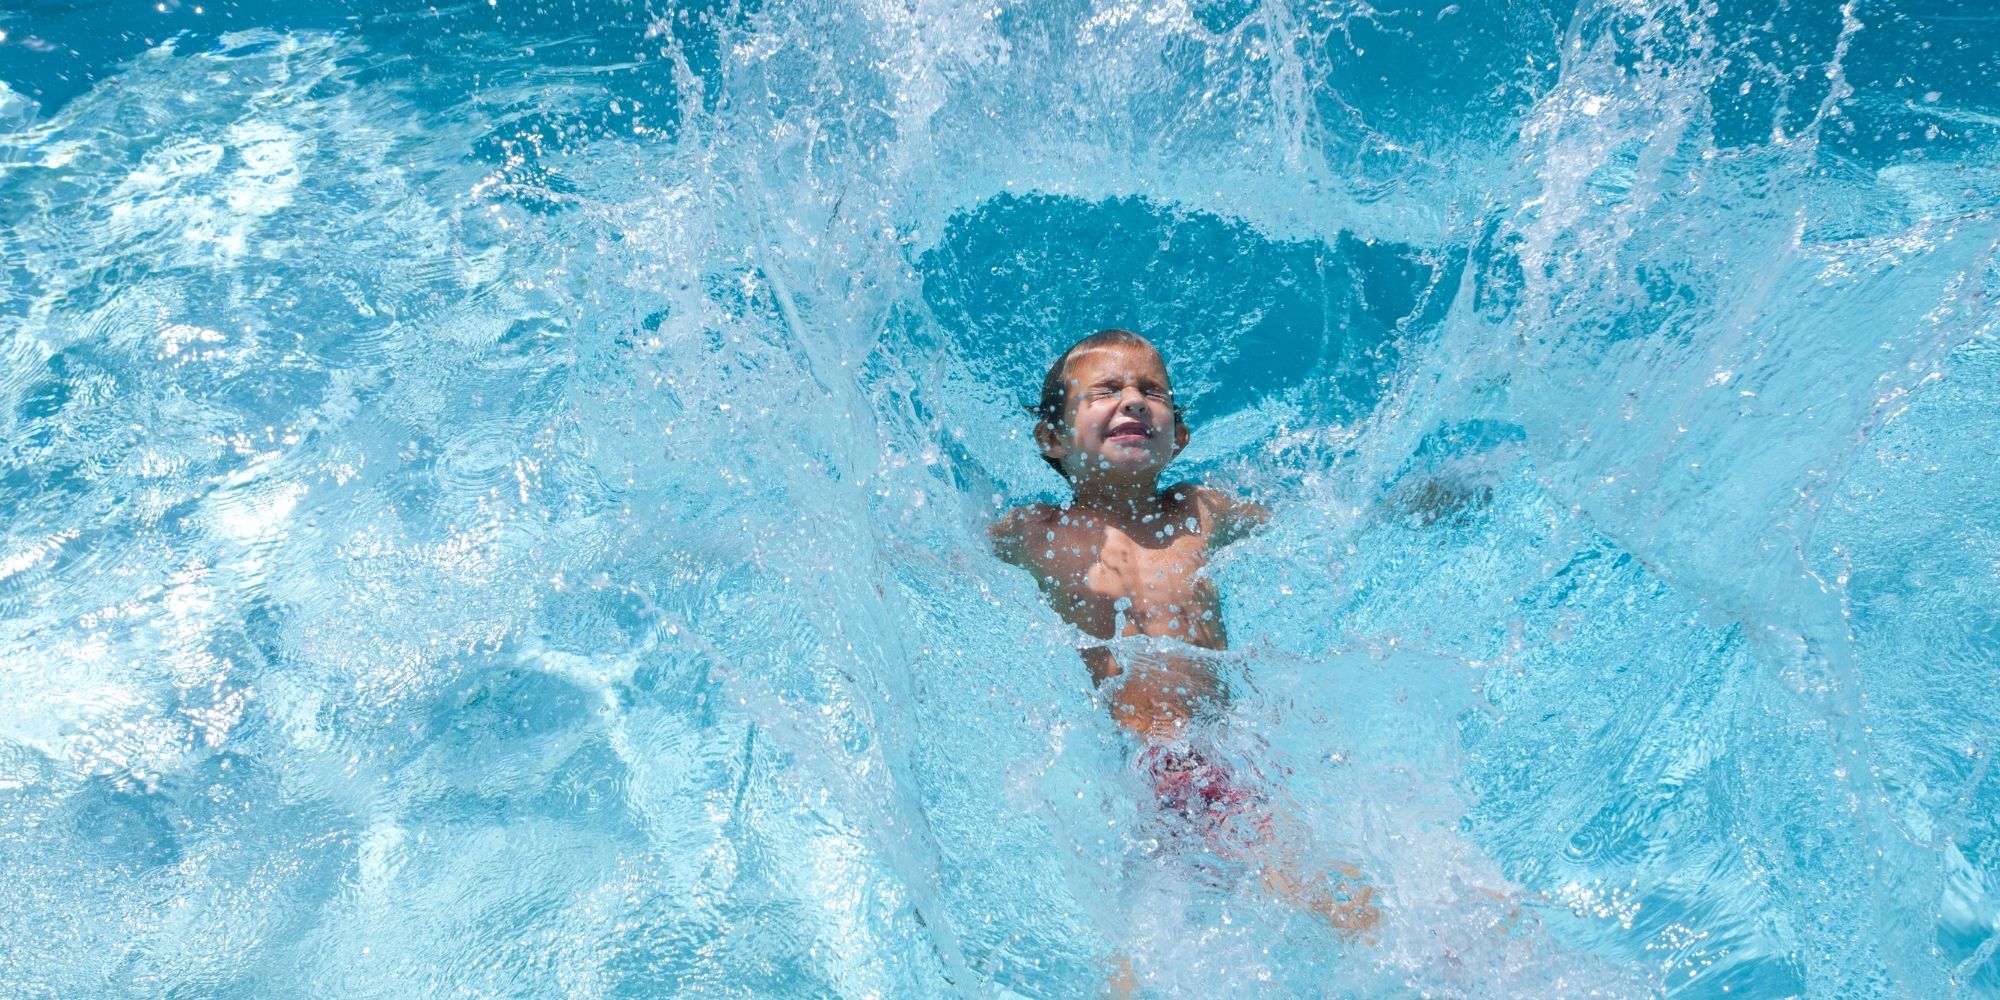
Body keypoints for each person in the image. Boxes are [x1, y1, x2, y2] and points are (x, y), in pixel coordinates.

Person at [989, 329, 1379, 956]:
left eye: (1152, 392)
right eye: (1107, 391)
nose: (1134, 401)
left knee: (1303, 880)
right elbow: (938, 555)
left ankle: (1436, 958)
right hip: (1134, 762)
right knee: (1143, 927)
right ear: (1053, 438)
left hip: (1223, 749)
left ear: (1181, 437)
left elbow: (1322, 520)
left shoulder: (1200, 512)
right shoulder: (1038, 532)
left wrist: (1402, 507)